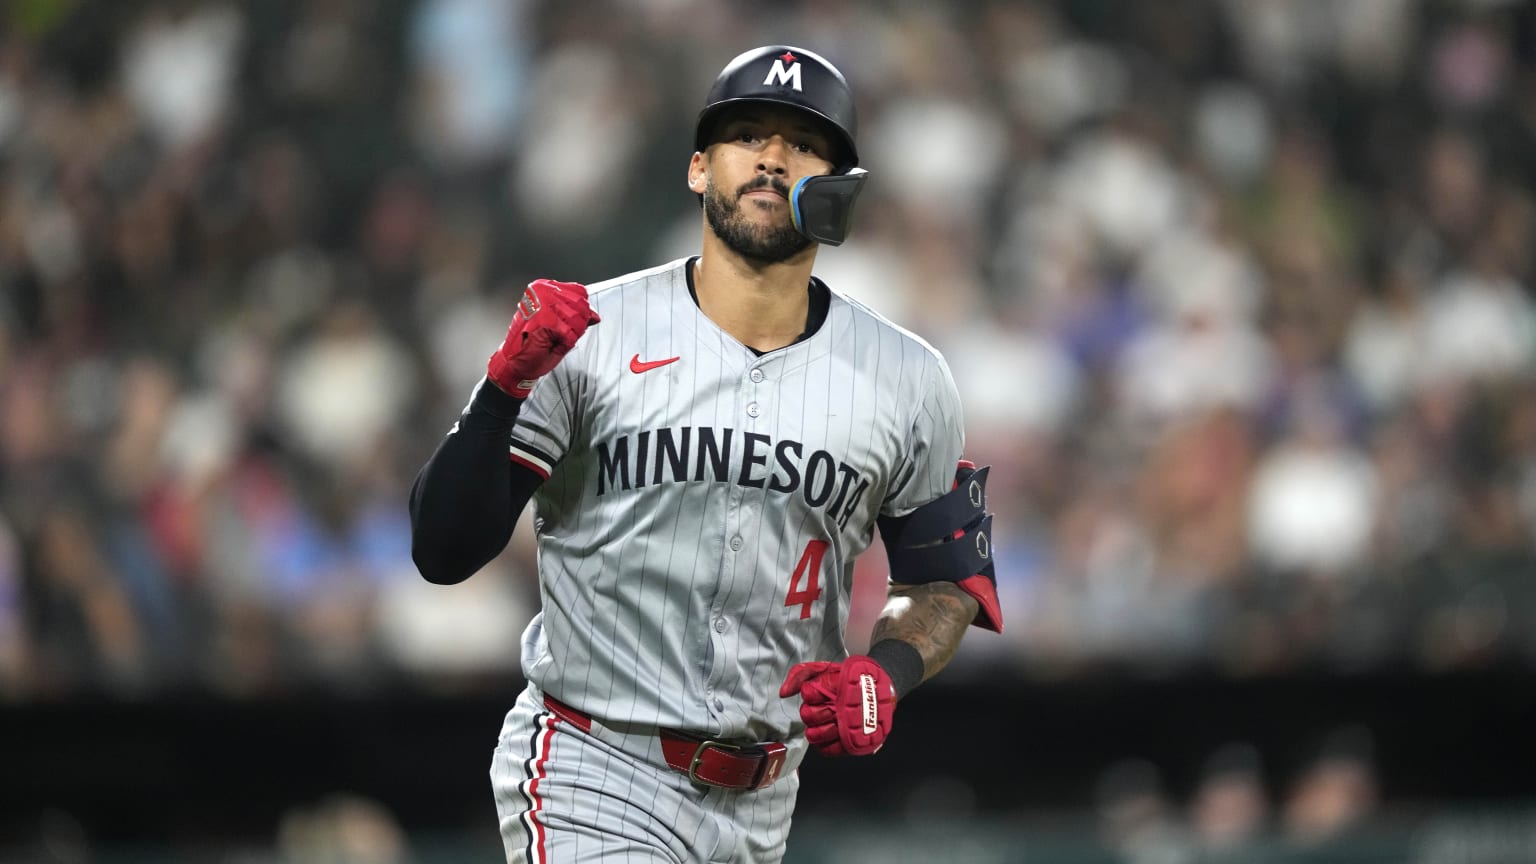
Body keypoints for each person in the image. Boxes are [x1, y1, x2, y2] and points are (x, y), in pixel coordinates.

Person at [409, 44, 1001, 864]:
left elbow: (942, 581)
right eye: (746, 134)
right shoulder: (589, 333)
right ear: (698, 168)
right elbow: (443, 551)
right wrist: (500, 392)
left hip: (765, 801)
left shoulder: (908, 378)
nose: (769, 155)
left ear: (839, 186)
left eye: (801, 141)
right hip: (594, 763)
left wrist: (888, 671)